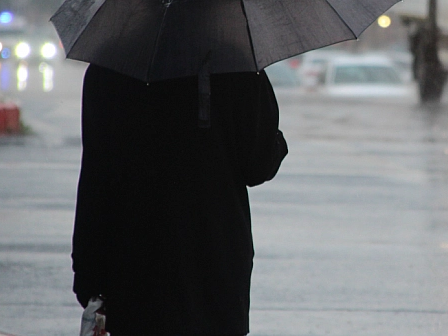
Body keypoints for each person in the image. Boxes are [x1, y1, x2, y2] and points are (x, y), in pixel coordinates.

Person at [71, 64, 288, 336]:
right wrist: (276, 141)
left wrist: (89, 277)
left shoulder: (110, 69)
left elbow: (95, 177)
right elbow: (259, 165)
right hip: (216, 264)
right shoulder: (238, 67)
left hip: (133, 265)